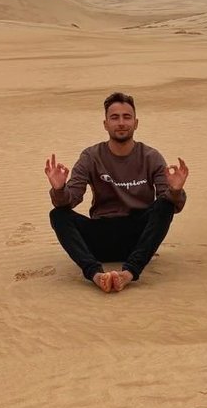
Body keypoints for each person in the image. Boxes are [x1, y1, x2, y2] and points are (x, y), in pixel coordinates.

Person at [46, 91, 189, 293]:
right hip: (100, 236)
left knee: (165, 205)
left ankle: (129, 273)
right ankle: (95, 274)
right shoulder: (91, 156)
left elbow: (171, 207)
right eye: (114, 117)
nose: (121, 122)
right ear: (105, 124)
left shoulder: (151, 157)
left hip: (138, 238)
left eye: (126, 117)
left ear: (136, 123)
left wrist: (175, 191)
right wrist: (59, 189)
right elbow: (71, 199)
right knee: (58, 214)